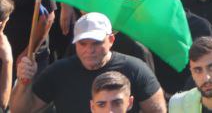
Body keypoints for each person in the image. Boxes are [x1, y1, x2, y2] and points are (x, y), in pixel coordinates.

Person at [14, 12, 164, 113]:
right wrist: (23, 82)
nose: (89, 50)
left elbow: (158, 110)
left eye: (96, 43)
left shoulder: (135, 69)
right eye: (83, 43)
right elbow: (20, 110)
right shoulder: (59, 72)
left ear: (111, 40)